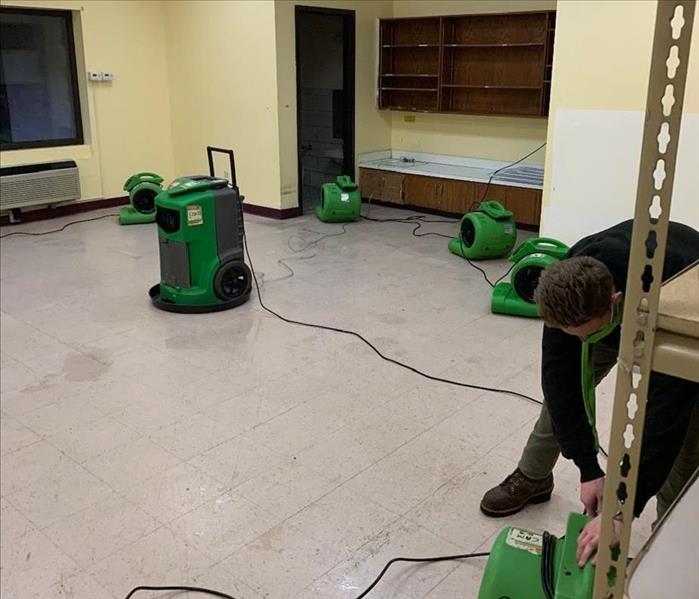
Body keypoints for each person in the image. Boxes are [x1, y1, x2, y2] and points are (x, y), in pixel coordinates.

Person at [479, 219, 699, 565]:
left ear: (614, 301)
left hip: (681, 313)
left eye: (585, 333)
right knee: (559, 402)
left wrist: (620, 510)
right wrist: (588, 468)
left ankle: (668, 530)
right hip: (611, 312)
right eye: (572, 334)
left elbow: (663, 417)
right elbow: (560, 383)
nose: (579, 341)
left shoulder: (666, 296)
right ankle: (534, 475)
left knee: (688, 435)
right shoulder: (566, 285)